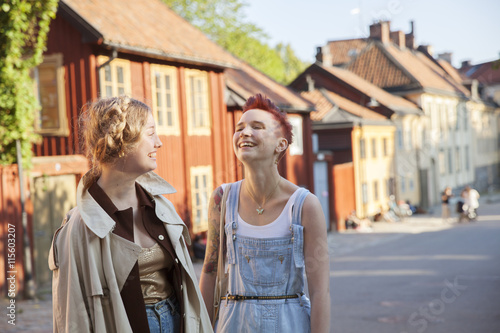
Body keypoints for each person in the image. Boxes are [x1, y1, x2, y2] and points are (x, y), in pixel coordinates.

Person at [49, 96, 212, 333]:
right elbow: (71, 316)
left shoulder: (161, 206)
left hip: (176, 319)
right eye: (150, 133)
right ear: (123, 141)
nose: (159, 143)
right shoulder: (80, 226)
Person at [199, 94, 331, 332]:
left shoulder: (304, 205)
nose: (244, 132)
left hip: (289, 324)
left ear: (280, 144)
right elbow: (209, 274)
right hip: (233, 324)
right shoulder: (222, 199)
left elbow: (320, 292)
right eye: (239, 128)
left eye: (257, 127)